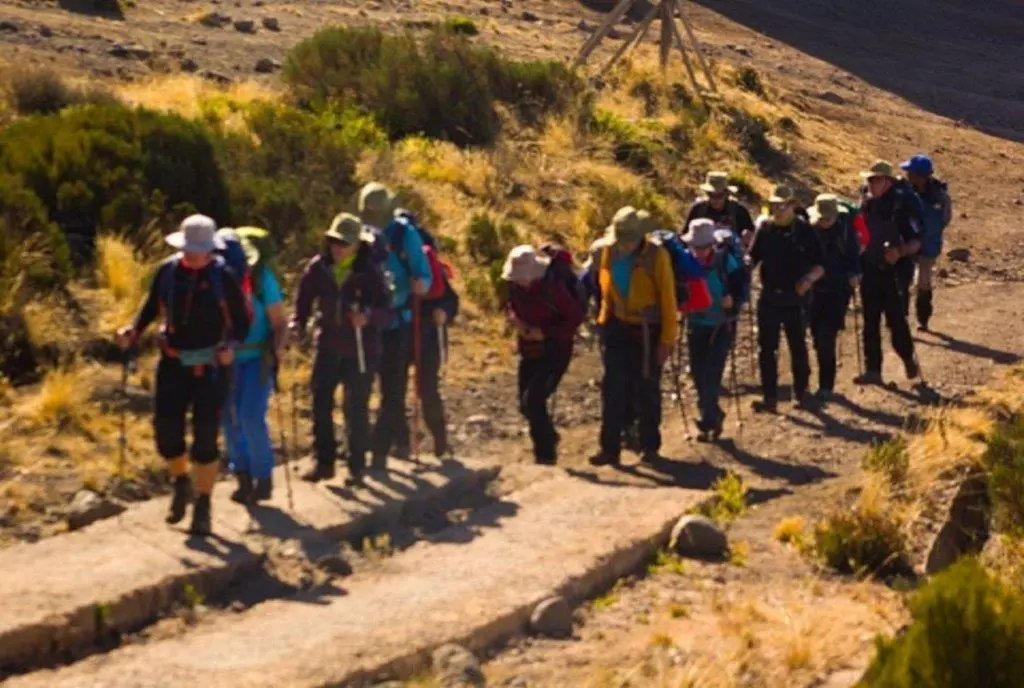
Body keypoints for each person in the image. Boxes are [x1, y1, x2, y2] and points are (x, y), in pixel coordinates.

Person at [116, 215, 251, 537]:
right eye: (189, 248)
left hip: (211, 368)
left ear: (210, 249)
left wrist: (231, 346)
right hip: (172, 363)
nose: (192, 255)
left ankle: (203, 506)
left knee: (205, 439)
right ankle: (180, 483)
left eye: (199, 249)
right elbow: (150, 306)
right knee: (167, 433)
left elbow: (243, 321)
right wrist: (133, 330)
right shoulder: (167, 272)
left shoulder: (223, 276)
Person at [291, 213, 392, 487]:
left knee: (355, 408)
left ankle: (356, 466)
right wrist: (297, 324)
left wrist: (368, 316)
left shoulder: (370, 272)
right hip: (328, 345)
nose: (338, 247)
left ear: (357, 245)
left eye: (344, 243)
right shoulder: (318, 267)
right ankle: (324, 462)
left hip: (362, 349)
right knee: (320, 402)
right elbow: (303, 301)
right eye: (334, 241)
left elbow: (387, 312)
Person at [589, 206, 678, 466]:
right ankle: (609, 448)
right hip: (617, 327)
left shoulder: (656, 256)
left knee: (647, 388)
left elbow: (668, 299)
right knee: (613, 389)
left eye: (628, 240)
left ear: (640, 236)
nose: (624, 246)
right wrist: (603, 321)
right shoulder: (608, 251)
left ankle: (650, 447)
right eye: (621, 240)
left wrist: (667, 340)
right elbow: (605, 289)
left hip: (648, 331)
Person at [358, 183, 432, 471]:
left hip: (397, 322)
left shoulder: (404, 233)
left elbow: (422, 274)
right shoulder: (358, 232)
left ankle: (381, 447)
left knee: (392, 386)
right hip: (365, 322)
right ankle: (384, 440)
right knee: (363, 386)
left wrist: (420, 285)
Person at [215, 228, 287, 504]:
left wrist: (275, 352)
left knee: (249, 416)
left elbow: (280, 322)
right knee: (229, 419)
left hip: (257, 358)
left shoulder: (261, 279)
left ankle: (263, 477)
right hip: (225, 360)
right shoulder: (215, 280)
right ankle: (243, 477)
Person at [502, 245, 584, 465]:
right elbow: (511, 307)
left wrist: (545, 333)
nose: (518, 281)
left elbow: (574, 318)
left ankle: (545, 455)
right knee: (524, 403)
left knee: (534, 399)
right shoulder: (514, 286)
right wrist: (517, 322)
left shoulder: (553, 286)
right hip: (529, 348)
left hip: (557, 350)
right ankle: (549, 437)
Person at [747, 186, 825, 412]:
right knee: (766, 348)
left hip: (797, 300)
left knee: (798, 346)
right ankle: (769, 397)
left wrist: (809, 280)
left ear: (792, 205)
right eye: (774, 206)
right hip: (769, 297)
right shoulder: (766, 229)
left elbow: (820, 264)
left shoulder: (805, 230)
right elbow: (753, 258)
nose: (778, 210)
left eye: (782, 205)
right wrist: (743, 270)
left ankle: (801, 393)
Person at [855, 161, 923, 385]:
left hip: (896, 271)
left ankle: (908, 359)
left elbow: (917, 240)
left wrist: (900, 252)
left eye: (875, 180)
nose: (871, 184)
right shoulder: (866, 201)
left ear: (887, 181)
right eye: (869, 180)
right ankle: (873, 370)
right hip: (870, 267)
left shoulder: (903, 203)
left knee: (895, 320)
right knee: (870, 320)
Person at [684, 219, 747, 441]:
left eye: (702, 247)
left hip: (722, 325)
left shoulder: (724, 260)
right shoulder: (686, 260)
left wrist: (735, 300)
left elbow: (742, 284)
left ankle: (709, 421)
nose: (699, 251)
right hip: (697, 324)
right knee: (698, 374)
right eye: (695, 247)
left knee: (711, 375)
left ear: (711, 244)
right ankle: (713, 415)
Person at [806, 195, 861, 402]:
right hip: (814, 292)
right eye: (822, 218)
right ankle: (822, 380)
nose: (825, 221)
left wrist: (855, 274)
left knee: (826, 337)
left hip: (837, 291)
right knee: (816, 337)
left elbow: (854, 258)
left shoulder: (845, 231)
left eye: (828, 218)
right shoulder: (809, 231)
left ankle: (825, 385)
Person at [900, 154, 952, 331]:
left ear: (920, 175)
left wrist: (926, 235)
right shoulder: (907, 190)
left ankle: (923, 318)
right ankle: (903, 318)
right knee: (903, 279)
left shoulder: (938, 196)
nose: (907, 175)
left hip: (928, 243)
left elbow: (944, 219)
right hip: (908, 240)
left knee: (923, 280)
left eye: (910, 172)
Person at [685, 171, 756, 249]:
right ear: (707, 193)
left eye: (720, 195)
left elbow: (753, 240)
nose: (716, 200)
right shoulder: (698, 210)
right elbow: (685, 237)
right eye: (711, 195)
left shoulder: (739, 211)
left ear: (726, 194)